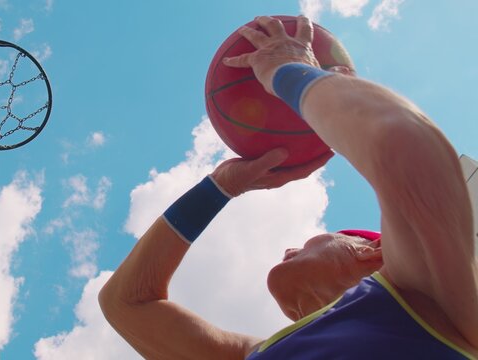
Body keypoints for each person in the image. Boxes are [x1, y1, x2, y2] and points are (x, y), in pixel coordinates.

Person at [98, 15, 478, 359]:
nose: (290, 247)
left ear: (372, 253)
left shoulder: (429, 294)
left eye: (313, 239)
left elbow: (406, 147)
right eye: (312, 239)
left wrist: (290, 71)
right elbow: (123, 303)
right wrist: (219, 187)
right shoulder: (257, 353)